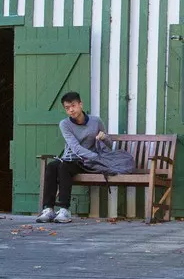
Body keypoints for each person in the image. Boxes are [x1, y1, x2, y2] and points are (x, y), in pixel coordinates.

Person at [37, 91, 135, 223]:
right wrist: (95, 156)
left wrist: (104, 137)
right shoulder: (64, 124)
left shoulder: (96, 121)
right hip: (71, 159)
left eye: (73, 105)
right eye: (67, 108)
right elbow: (75, 148)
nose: (71, 110)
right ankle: (48, 209)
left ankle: (65, 210)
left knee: (63, 167)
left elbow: (109, 144)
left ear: (80, 104)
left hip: (88, 163)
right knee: (51, 166)